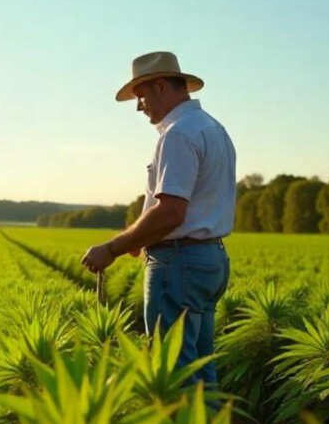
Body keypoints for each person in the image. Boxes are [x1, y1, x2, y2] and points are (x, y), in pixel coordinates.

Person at [81, 51, 235, 388]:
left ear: (161, 87)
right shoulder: (214, 128)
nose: (140, 107)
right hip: (210, 259)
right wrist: (139, 238)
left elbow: (170, 212)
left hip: (179, 262)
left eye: (141, 96)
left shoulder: (178, 134)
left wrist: (113, 248)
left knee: (173, 373)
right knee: (200, 370)